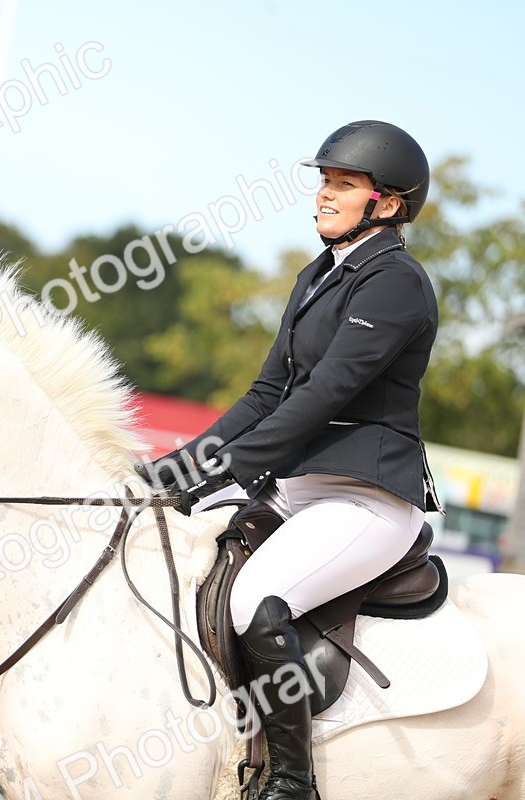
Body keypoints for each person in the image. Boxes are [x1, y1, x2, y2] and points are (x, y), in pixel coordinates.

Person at [138, 120, 440, 800]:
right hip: (301, 488)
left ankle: (292, 781)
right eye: (323, 182)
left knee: (256, 600)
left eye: (342, 184)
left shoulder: (395, 283)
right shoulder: (319, 274)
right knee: (179, 559)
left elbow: (326, 393)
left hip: (366, 498)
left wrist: (227, 471)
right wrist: (178, 468)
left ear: (386, 204)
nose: (323, 196)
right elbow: (269, 393)